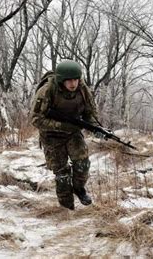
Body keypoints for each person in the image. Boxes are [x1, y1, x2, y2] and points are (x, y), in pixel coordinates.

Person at [30, 59, 100, 210]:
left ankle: (79, 189)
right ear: (61, 80)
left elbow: (90, 112)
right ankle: (67, 208)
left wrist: (95, 127)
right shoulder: (47, 90)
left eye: (75, 79)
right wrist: (61, 126)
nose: (73, 84)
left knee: (82, 164)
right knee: (62, 174)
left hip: (73, 132)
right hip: (51, 136)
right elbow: (36, 119)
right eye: (69, 80)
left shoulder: (82, 89)